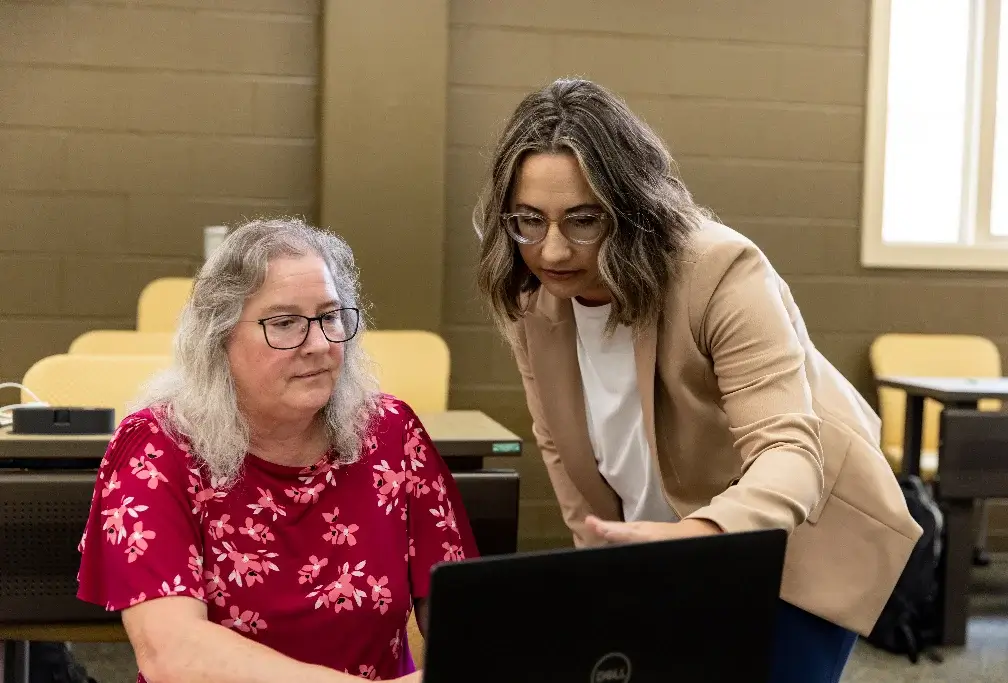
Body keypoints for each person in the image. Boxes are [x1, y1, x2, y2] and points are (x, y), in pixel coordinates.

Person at [474, 78, 922, 683]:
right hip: (668, 544)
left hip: (796, 540)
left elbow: (790, 452)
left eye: (583, 220)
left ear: (631, 209)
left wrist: (699, 534)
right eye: (529, 220)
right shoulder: (534, 300)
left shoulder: (719, 270)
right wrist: (605, 572)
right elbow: (562, 448)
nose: (551, 250)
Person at [77, 218, 478, 683]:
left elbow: (466, 622)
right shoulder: (157, 446)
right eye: (284, 323)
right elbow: (173, 654)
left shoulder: (391, 433)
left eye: (330, 317)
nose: (318, 344)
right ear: (218, 336)